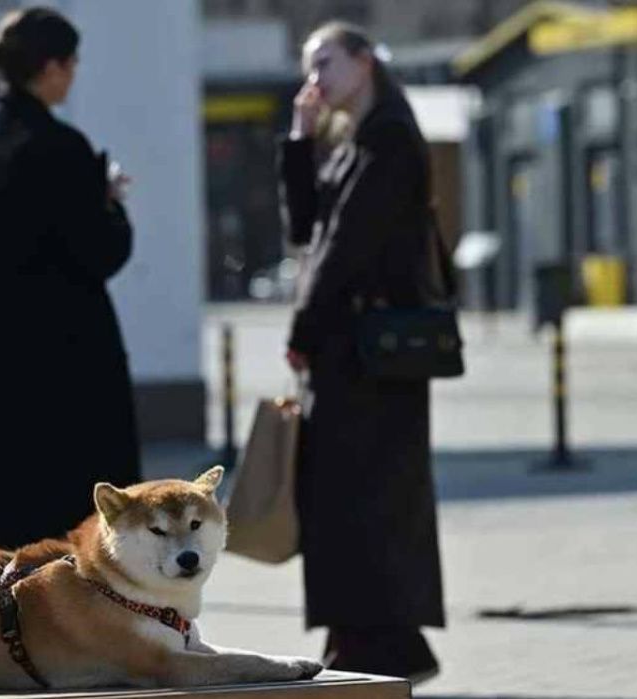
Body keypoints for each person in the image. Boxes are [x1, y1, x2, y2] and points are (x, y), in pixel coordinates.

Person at [277, 21, 445, 683]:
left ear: (365, 62)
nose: (313, 79)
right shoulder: (353, 138)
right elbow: (305, 229)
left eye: (326, 63)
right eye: (308, 66)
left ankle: (378, 643)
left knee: (363, 496)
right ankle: (369, 640)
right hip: (353, 351)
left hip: (374, 353)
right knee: (345, 496)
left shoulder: (390, 137)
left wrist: (301, 328)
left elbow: (344, 247)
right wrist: (299, 138)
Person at [0, 7, 140, 548]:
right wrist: (110, 204)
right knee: (67, 523)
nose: (73, 74)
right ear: (50, 67)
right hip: (62, 367)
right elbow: (97, 251)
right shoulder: (59, 146)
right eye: (71, 62)